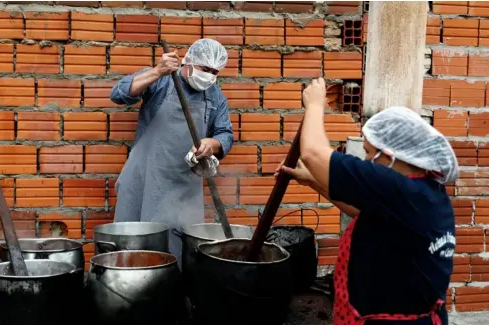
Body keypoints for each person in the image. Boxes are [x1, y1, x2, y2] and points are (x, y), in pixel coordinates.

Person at [275, 78, 458, 325]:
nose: (367, 159)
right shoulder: (424, 191)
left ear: (390, 155)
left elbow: (313, 153)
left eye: (371, 152)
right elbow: (364, 213)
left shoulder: (398, 187)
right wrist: (313, 181)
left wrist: (316, 105)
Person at [110, 38, 234, 265]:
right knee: (131, 247)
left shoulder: (215, 97)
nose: (210, 76)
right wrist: (157, 71)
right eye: (205, 69)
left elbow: (226, 135)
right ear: (189, 62)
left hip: (183, 185)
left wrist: (211, 143)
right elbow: (119, 94)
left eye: (215, 71)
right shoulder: (163, 81)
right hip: (143, 178)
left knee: (175, 253)